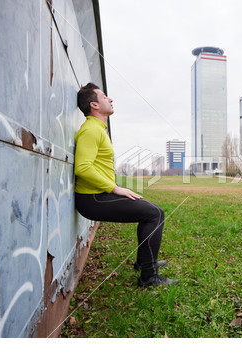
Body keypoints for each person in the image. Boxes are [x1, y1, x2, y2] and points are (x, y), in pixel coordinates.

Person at [74, 82, 178, 287]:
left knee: (153, 210)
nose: (110, 99)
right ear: (94, 105)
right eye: (104, 96)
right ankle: (148, 277)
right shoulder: (91, 130)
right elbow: (82, 168)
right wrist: (115, 188)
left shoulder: (98, 129)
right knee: (153, 214)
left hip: (97, 195)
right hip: (92, 199)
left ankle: (144, 263)